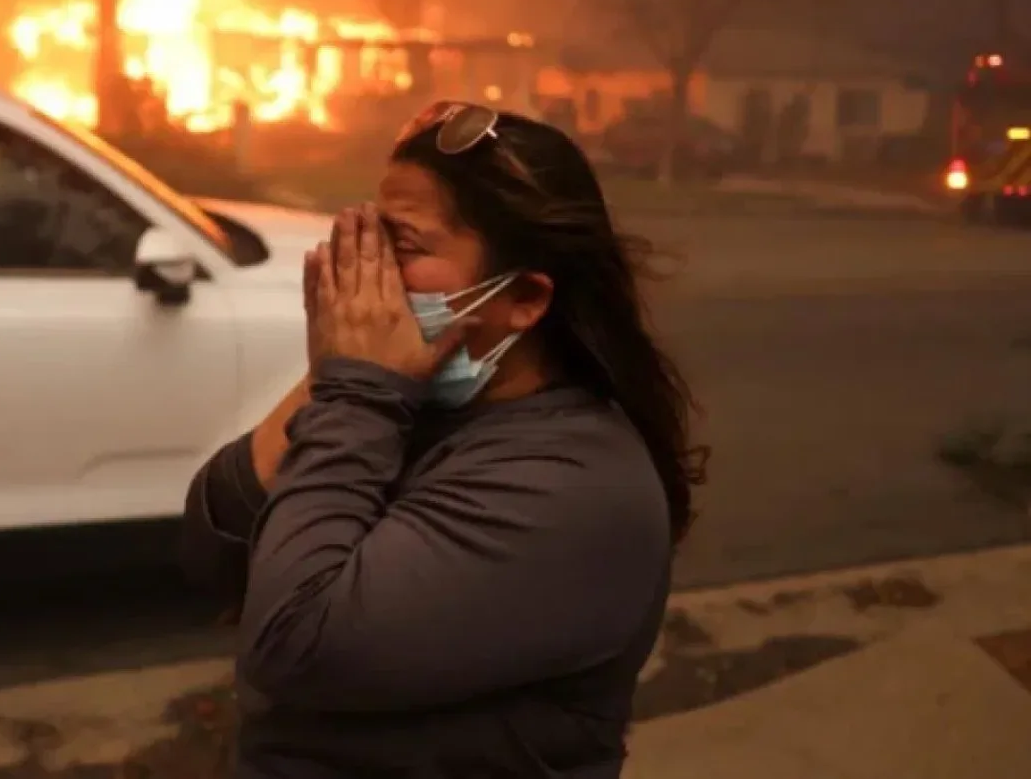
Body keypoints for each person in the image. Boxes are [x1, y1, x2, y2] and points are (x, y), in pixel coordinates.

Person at [181, 102, 707, 778]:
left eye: (402, 249)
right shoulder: (399, 404)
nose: (366, 276)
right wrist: (333, 374)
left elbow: (294, 642)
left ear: (523, 296)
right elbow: (211, 541)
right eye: (366, 241)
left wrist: (357, 387)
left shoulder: (575, 483)